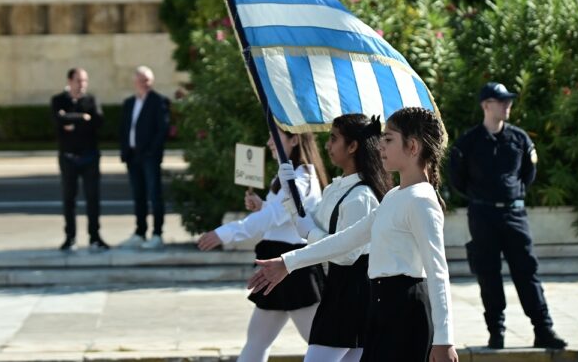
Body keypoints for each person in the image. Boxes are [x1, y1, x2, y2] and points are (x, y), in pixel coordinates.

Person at [249, 107, 460, 362]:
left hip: (406, 310)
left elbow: (437, 272)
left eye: (389, 139)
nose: (380, 145)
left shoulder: (421, 200)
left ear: (412, 146)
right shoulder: (394, 196)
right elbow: (346, 239)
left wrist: (444, 339)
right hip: (380, 307)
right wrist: (288, 262)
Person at [448, 82, 566, 350]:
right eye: (501, 101)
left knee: (527, 271)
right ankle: (496, 332)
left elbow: (528, 174)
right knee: (488, 274)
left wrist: (512, 195)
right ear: (486, 105)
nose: (507, 105)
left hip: (514, 214)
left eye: (509, 101)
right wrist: (482, 197)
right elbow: (458, 179)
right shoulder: (468, 143)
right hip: (483, 215)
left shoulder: (520, 139)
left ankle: (543, 329)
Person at [196, 128, 328, 362]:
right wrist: (262, 205)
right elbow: (278, 214)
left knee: (322, 346)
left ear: (295, 139)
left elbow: (277, 216)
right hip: (276, 264)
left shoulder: (303, 176)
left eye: (275, 136)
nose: (269, 142)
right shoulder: (287, 176)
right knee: (257, 343)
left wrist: (225, 233)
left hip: (294, 267)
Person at [281, 114, 391, 362]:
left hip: (353, 293)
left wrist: (309, 234)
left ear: (353, 147)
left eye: (334, 138)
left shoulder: (361, 196)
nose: (327, 145)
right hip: (339, 289)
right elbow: (307, 227)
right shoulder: (336, 188)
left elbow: (346, 253)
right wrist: (290, 195)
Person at [50, 67, 107, 252]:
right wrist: (82, 118)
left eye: (84, 81)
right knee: (69, 198)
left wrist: (72, 122)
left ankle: (95, 237)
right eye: (78, 80)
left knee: (93, 198)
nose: (82, 84)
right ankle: (70, 237)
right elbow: (58, 120)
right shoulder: (58, 100)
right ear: (69, 81)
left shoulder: (91, 100)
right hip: (68, 157)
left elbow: (98, 122)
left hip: (89, 156)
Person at [119, 66, 171, 249]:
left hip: (149, 156)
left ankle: (157, 234)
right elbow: (125, 129)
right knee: (138, 195)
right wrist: (125, 151)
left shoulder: (159, 101)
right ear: (135, 82)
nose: (145, 83)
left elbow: (162, 129)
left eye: (148, 80)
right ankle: (140, 232)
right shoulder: (129, 103)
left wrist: (151, 151)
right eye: (142, 80)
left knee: (154, 195)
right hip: (132, 157)